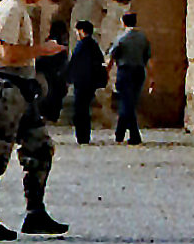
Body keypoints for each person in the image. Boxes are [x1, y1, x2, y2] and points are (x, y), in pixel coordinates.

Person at [0, 0, 68, 241]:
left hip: (21, 89)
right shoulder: (11, 10)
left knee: (40, 149)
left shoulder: (20, 8)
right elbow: (8, 53)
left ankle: (35, 213)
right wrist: (43, 50)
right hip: (7, 89)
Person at [107, 9, 152, 144]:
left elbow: (112, 56)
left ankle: (133, 134)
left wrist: (107, 72)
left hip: (125, 71)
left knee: (126, 103)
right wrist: (151, 76)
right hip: (139, 71)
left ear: (123, 23)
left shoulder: (121, 38)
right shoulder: (143, 38)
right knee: (130, 102)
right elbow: (148, 58)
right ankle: (120, 133)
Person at [64, 19, 106, 145]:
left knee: (80, 110)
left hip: (82, 82)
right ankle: (84, 135)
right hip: (89, 82)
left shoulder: (82, 46)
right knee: (84, 110)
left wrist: (68, 77)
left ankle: (82, 136)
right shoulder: (93, 45)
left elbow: (75, 63)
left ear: (82, 31)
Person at [41, 14, 71, 124]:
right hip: (55, 73)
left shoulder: (51, 42)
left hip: (52, 73)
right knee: (54, 95)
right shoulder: (59, 44)